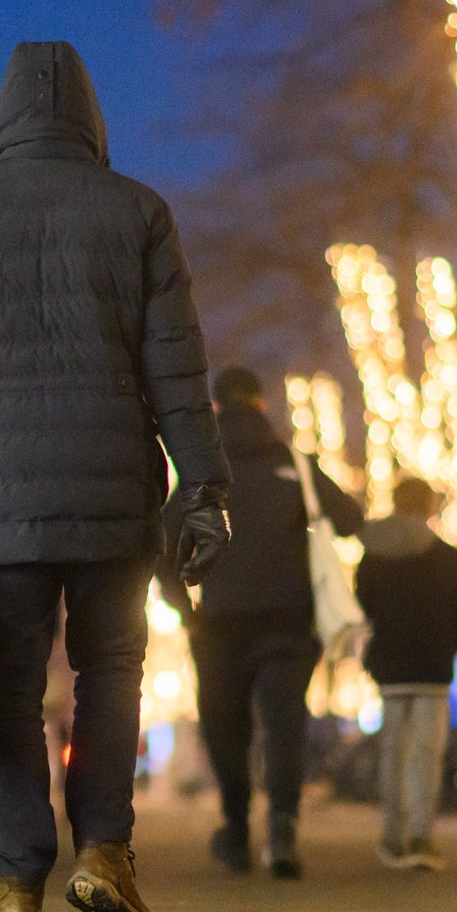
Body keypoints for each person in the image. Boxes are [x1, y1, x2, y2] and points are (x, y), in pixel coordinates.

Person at [0, 41, 230, 912]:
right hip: (114, 492)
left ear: (2, 119)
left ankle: (14, 893)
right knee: (111, 675)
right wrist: (204, 486)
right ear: (92, 119)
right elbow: (178, 370)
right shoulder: (139, 211)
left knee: (12, 693)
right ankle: (105, 851)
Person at [161, 365, 360, 879]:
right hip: (290, 621)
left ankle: (234, 828)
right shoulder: (295, 462)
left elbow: (163, 546)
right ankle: (283, 830)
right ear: (263, 404)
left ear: (217, 410)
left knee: (226, 729)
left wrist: (186, 610)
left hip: (220, 623)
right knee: (284, 724)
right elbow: (352, 520)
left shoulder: (199, 472)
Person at [356, 477, 457, 871]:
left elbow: (365, 604)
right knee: (426, 753)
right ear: (429, 507)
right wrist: (450, 644)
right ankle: (423, 837)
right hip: (432, 668)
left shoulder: (373, 554)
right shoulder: (445, 555)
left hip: (390, 667)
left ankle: (393, 838)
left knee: (393, 751)